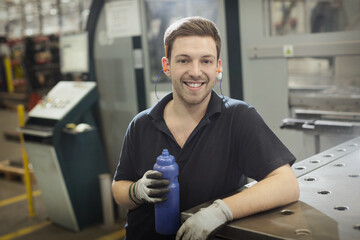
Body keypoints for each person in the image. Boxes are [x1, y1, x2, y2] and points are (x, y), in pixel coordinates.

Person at [112, 16, 299, 240]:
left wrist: (221, 211)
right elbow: (119, 188)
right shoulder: (141, 125)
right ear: (167, 66)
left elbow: (286, 184)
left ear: (218, 66)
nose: (195, 71)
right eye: (183, 60)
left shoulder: (238, 118)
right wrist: (137, 191)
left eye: (206, 61)